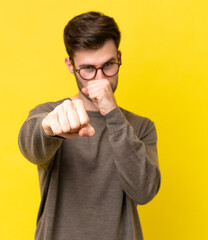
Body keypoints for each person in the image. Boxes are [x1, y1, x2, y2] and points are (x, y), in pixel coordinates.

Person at [18, 11, 161, 240]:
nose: (99, 79)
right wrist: (47, 128)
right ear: (70, 64)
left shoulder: (140, 127)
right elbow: (30, 146)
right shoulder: (53, 115)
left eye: (108, 65)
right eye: (87, 68)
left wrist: (112, 113)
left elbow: (144, 192)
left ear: (119, 57)